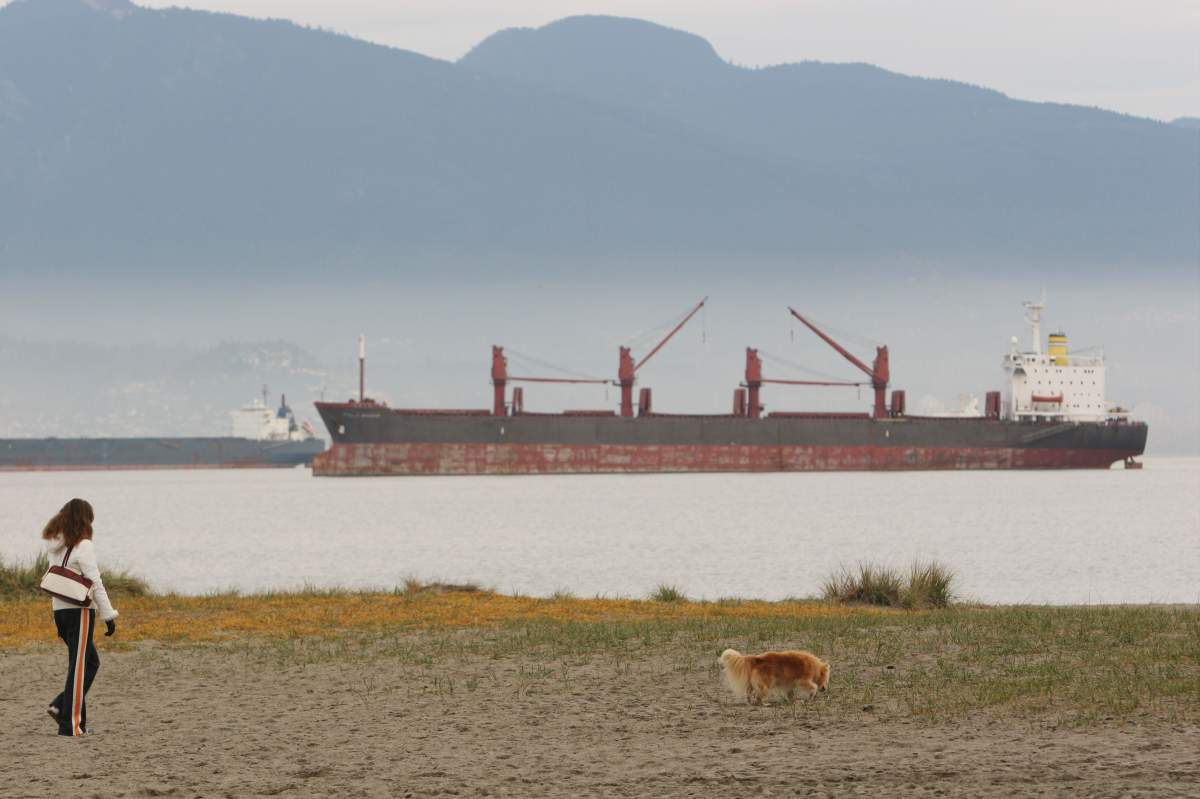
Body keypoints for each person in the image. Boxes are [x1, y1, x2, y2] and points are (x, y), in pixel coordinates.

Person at [41, 498, 119, 737]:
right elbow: (95, 583)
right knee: (79, 667)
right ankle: (71, 726)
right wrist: (108, 614)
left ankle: (64, 708)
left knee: (88, 662)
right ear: (85, 520)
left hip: (59, 611)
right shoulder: (84, 546)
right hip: (80, 610)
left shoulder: (56, 544)